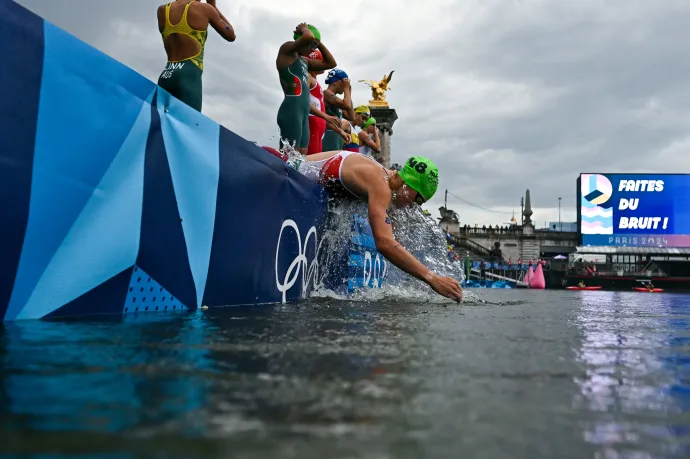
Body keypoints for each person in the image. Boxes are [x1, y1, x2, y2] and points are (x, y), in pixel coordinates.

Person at [262, 148, 462, 302]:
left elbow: (396, 242)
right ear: (408, 184)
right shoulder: (380, 185)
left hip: (290, 179)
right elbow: (384, 243)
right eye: (418, 199)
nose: (414, 206)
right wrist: (432, 278)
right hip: (277, 170)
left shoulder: (388, 184)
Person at [157, 0, 235, 112]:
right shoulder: (205, 9)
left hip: (166, 75)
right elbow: (231, 35)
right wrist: (213, 6)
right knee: (189, 125)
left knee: (159, 126)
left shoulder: (162, 10)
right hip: (188, 76)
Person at [276, 24, 337, 155]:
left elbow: (331, 63)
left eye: (315, 46)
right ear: (302, 40)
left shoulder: (304, 61)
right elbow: (308, 36)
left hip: (303, 113)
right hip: (291, 110)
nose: (313, 50)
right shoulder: (287, 50)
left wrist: (319, 43)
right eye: (312, 45)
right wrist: (304, 29)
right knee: (288, 155)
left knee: (302, 155)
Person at [306, 49, 347, 154]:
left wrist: (339, 131)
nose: (324, 65)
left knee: (314, 164)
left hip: (318, 128)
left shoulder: (314, 81)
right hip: (312, 125)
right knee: (308, 162)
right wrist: (326, 116)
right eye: (321, 62)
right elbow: (304, 103)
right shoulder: (308, 78)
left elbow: (320, 115)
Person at [322, 69, 355, 151]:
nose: (345, 85)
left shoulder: (337, 102)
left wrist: (349, 94)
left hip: (335, 140)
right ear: (336, 81)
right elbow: (347, 105)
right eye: (344, 82)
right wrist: (346, 89)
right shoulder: (326, 93)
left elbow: (351, 117)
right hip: (327, 139)